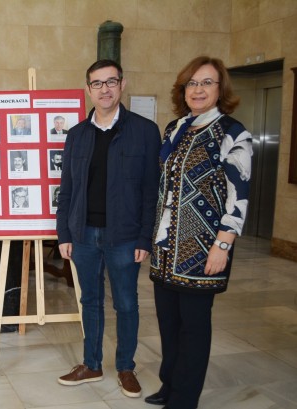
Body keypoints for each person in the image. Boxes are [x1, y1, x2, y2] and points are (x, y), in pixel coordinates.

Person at [146, 56, 252, 409]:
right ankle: (170, 384)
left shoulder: (233, 133)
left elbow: (240, 195)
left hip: (203, 247)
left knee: (193, 326)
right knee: (169, 324)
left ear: (220, 89)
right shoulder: (175, 128)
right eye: (192, 83)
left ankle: (184, 398)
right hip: (166, 248)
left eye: (206, 82)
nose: (198, 89)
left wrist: (224, 244)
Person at [56, 59, 161, 398]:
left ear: (122, 84)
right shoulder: (76, 135)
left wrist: (145, 236)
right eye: (97, 83)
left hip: (125, 236)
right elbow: (67, 190)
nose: (104, 89)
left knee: (127, 303)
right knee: (90, 300)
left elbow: (150, 191)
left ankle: (126, 367)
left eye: (110, 81)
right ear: (89, 89)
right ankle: (92, 363)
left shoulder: (144, 131)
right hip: (83, 234)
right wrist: (64, 234)